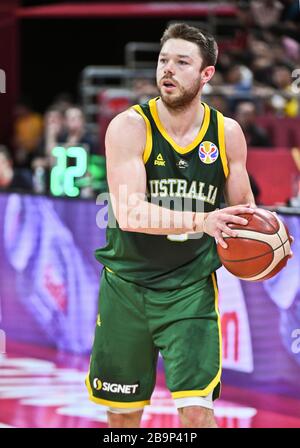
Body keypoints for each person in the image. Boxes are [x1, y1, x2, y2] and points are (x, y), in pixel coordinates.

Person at [86, 23, 257, 428]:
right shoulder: (129, 127)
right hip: (128, 286)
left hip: (190, 289)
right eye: (164, 60)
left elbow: (244, 210)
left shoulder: (227, 133)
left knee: (198, 412)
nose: (168, 69)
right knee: (124, 417)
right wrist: (204, 220)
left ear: (206, 74)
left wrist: (263, 242)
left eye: (182, 62)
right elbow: (129, 213)